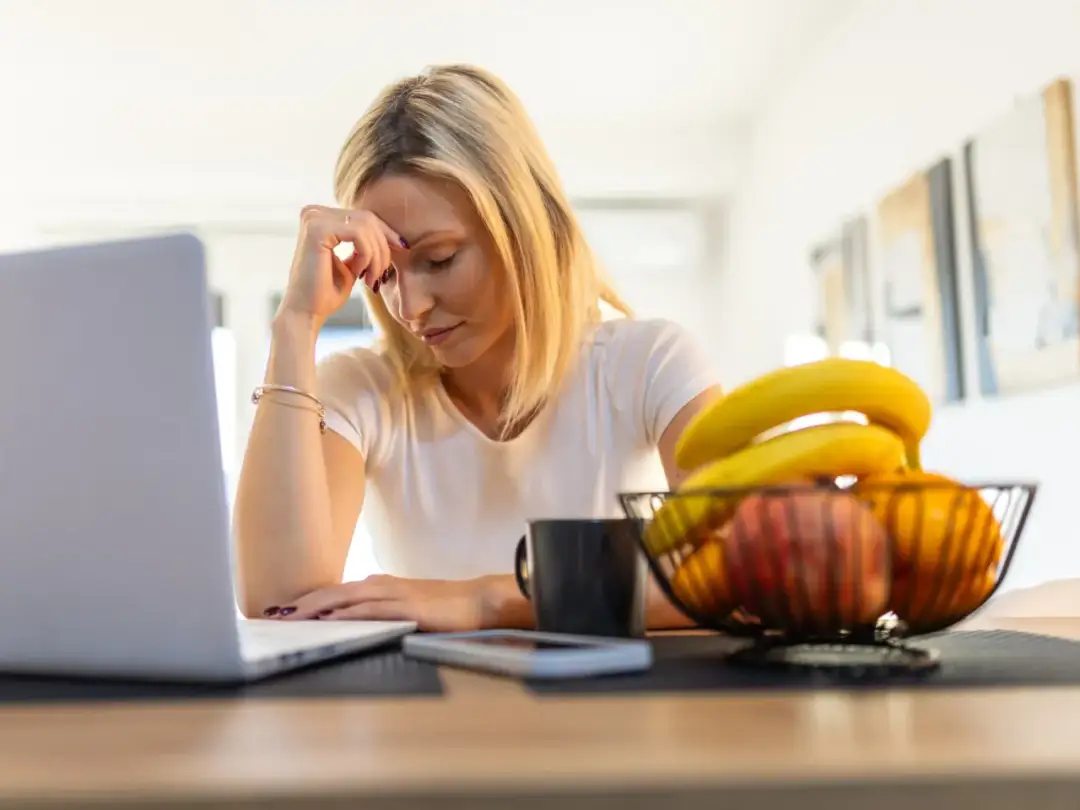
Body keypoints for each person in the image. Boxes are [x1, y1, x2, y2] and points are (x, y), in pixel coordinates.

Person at [232, 64, 723, 631]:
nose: (409, 307)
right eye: (384, 276)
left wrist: (490, 601)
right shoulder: (361, 390)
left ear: (525, 227)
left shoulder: (649, 363)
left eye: (439, 259)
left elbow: (739, 574)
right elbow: (279, 600)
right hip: (438, 716)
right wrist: (295, 324)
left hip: (614, 714)